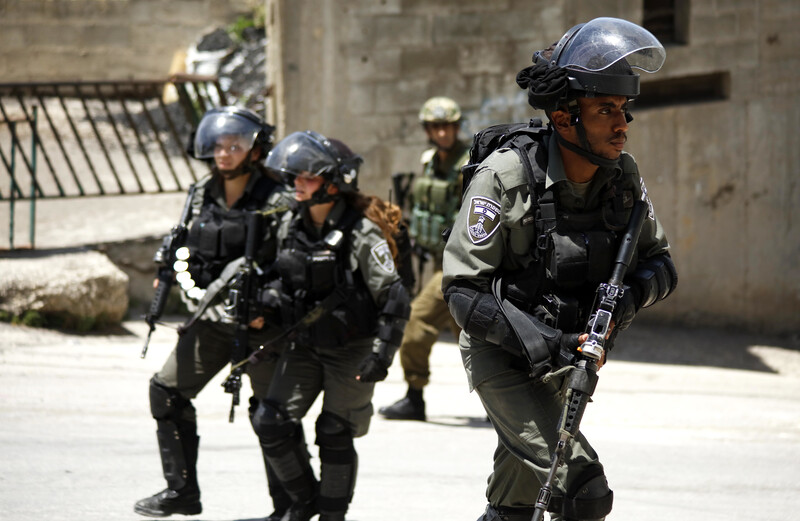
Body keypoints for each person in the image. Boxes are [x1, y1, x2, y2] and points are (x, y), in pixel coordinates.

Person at [441, 18, 678, 521]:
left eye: (624, 110)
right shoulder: (505, 178)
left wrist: (622, 304)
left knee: (515, 502)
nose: (622, 124)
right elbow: (463, 292)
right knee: (584, 488)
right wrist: (549, 346)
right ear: (565, 117)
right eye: (605, 110)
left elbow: (661, 266)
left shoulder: (621, 177)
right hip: (504, 357)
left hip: (571, 357)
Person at [134, 106, 294, 520]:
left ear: (254, 150)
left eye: (235, 145)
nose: (224, 153)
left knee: (269, 415)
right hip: (212, 319)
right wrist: (168, 272)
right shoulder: (202, 193)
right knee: (166, 392)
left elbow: (293, 262)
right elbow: (186, 242)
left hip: (262, 324)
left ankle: (289, 508)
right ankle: (181, 491)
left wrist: (268, 306)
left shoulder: (277, 199)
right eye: (218, 145)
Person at [250, 130, 411, 521]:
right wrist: (265, 303)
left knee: (335, 433)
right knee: (271, 422)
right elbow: (279, 276)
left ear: (333, 183)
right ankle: (304, 503)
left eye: (308, 177)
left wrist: (382, 354)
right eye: (296, 176)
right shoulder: (292, 222)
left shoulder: (361, 231)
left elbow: (394, 296)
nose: (297, 183)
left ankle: (332, 514)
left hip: (351, 349)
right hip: (304, 345)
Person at [378, 96, 471, 421]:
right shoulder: (431, 161)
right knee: (469, 332)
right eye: (436, 126)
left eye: (447, 126)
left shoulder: (469, 162)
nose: (442, 133)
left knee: (416, 320)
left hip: (462, 261)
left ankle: (415, 396)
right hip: (437, 257)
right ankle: (500, 402)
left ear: (456, 127)